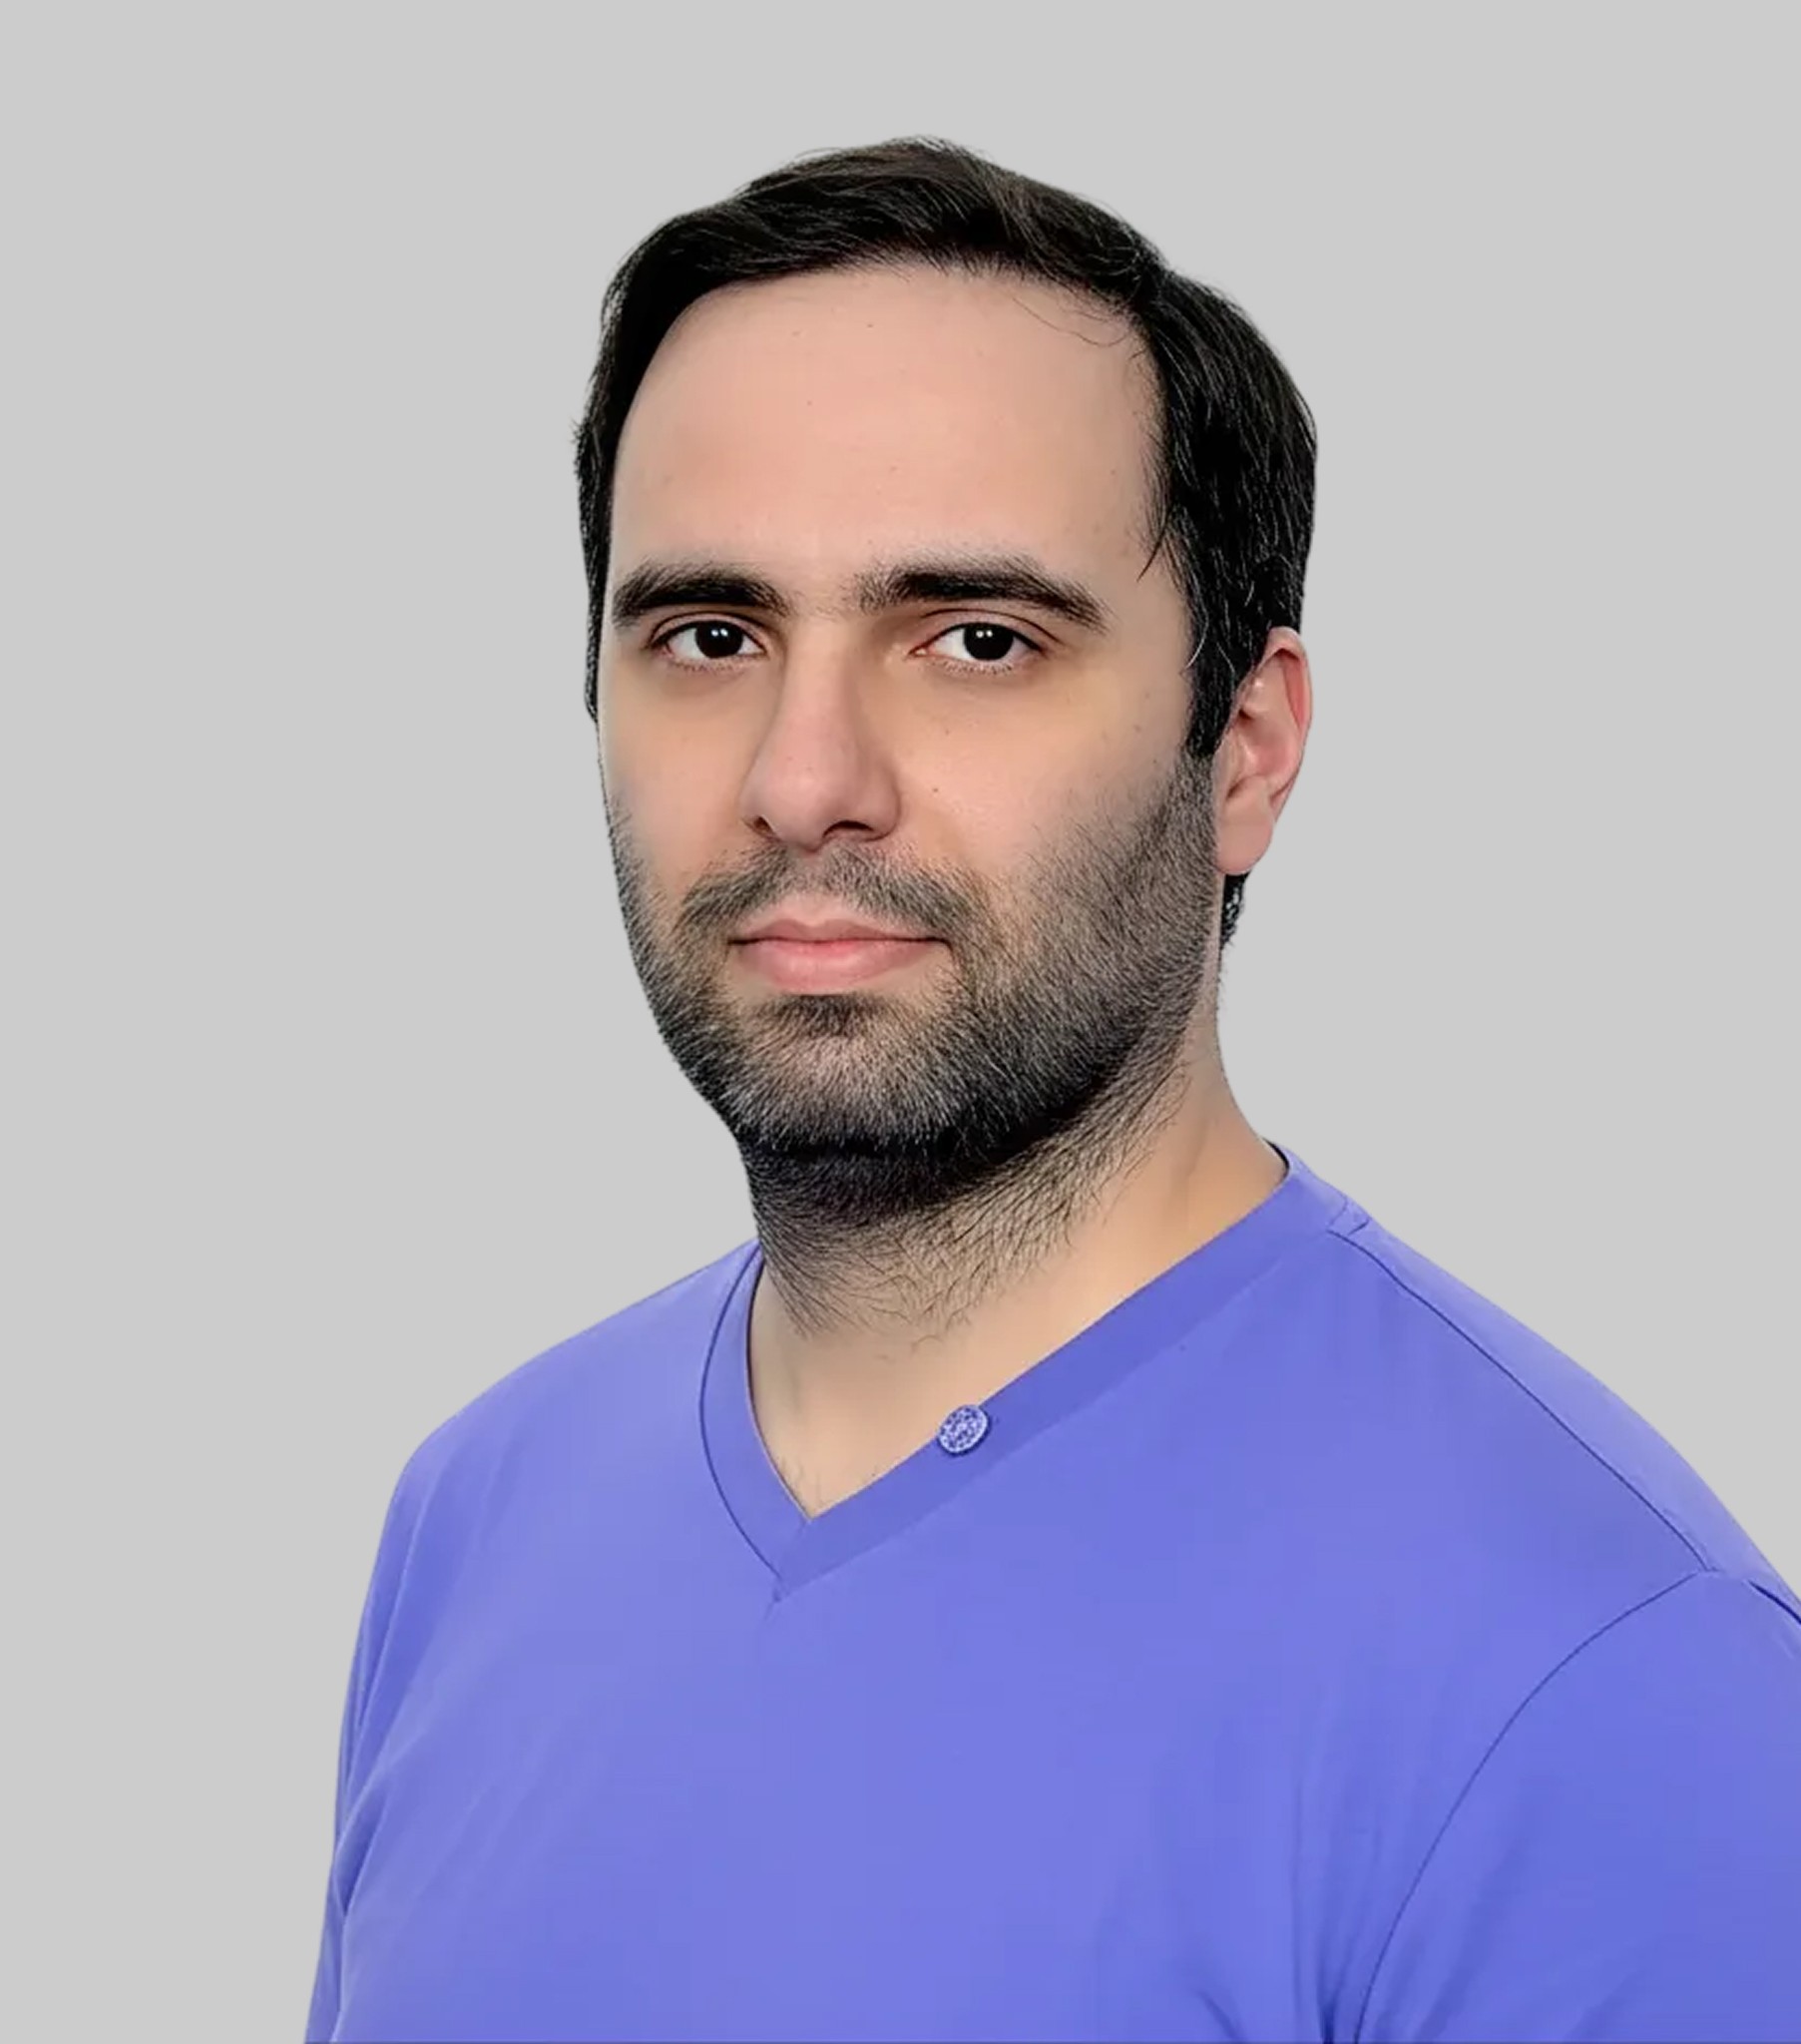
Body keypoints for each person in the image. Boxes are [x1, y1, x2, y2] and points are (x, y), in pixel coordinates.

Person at [304, 138, 1801, 2044]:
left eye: (977, 640)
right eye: (709, 635)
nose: (802, 775)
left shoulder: (1606, 1694)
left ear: (1243, 750)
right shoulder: (477, 1521)